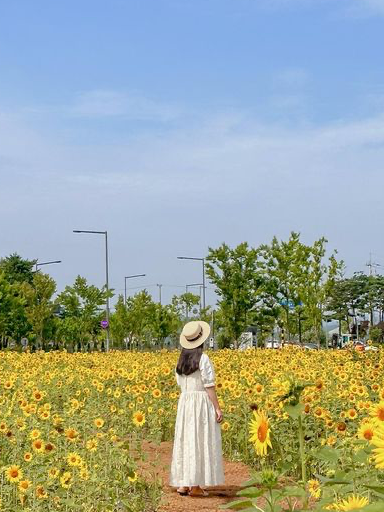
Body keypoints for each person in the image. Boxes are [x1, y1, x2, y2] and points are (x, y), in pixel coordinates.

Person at [169, 320, 224, 497]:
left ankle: (184, 483)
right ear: (202, 340)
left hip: (185, 403)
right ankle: (196, 486)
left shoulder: (180, 360)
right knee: (199, 440)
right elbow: (209, 386)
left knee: (186, 439)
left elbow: (180, 383)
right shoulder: (203, 358)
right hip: (200, 402)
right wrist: (217, 408)